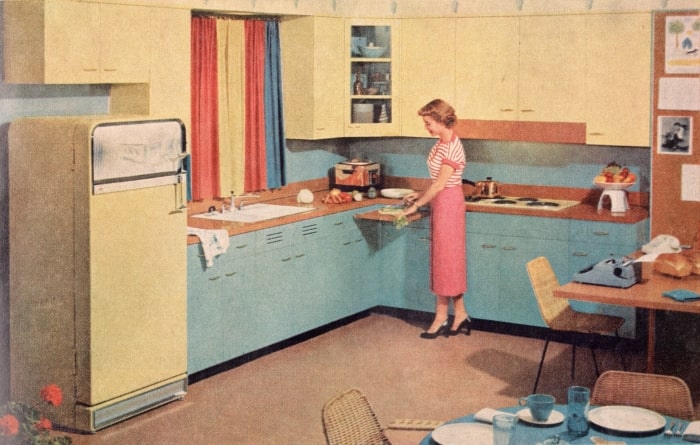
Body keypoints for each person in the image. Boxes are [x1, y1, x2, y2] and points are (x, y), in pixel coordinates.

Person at [400, 99, 470, 339]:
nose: (426, 127)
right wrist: (419, 194)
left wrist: (417, 204)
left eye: (428, 123)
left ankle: (441, 317)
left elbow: (441, 184)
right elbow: (436, 182)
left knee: (446, 261)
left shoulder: (453, 147)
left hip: (449, 204)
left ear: (441, 121)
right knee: (446, 261)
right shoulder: (441, 143)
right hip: (441, 202)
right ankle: (459, 314)